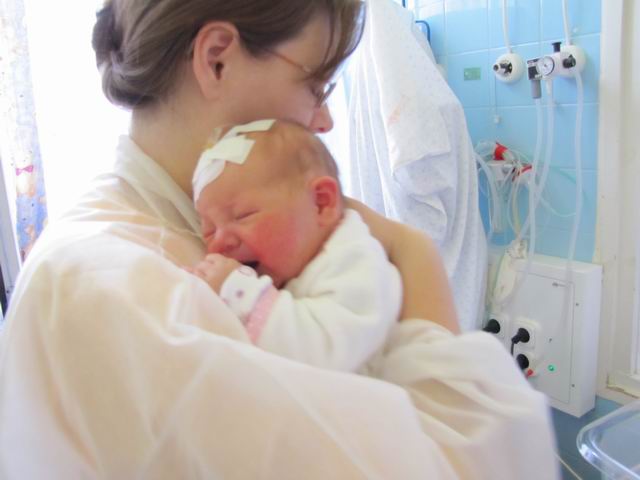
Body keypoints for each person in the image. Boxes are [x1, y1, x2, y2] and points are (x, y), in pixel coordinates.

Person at [0, 1, 559, 479]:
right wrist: (412, 252)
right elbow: (479, 461)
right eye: (316, 86)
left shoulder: (185, 237)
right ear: (216, 60)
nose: (325, 120)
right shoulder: (109, 291)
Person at [190, 119, 401, 372]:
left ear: (321, 203)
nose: (221, 241)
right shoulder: (295, 264)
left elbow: (323, 354)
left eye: (242, 215)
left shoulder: (357, 264)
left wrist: (239, 293)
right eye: (209, 229)